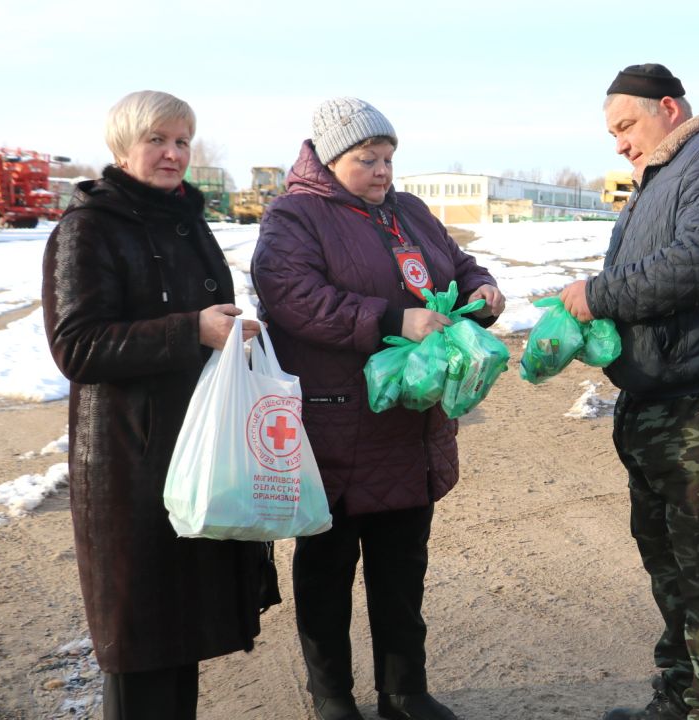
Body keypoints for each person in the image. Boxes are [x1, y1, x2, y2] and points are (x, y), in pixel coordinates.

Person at [251, 97, 505, 720]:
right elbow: (293, 297)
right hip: (338, 422)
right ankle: (332, 696)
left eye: (389, 158)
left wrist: (481, 288)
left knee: (401, 568)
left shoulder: (409, 212)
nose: (382, 171)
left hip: (411, 420)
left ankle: (404, 692)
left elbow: (458, 261)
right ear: (331, 159)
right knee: (328, 568)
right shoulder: (295, 217)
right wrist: (392, 319)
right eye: (368, 158)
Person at [42, 90, 274, 720]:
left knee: (179, 634)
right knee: (143, 640)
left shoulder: (184, 220)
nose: (173, 154)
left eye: (181, 141)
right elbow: (75, 345)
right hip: (131, 459)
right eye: (157, 141)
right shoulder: (88, 228)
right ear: (122, 148)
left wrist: (228, 338)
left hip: (194, 443)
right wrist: (190, 331)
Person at [559, 65, 699, 720]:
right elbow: (645, 276)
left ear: (669, 108)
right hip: (656, 411)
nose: (619, 143)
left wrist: (596, 297)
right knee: (672, 574)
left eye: (626, 125)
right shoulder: (656, 181)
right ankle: (677, 699)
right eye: (613, 133)